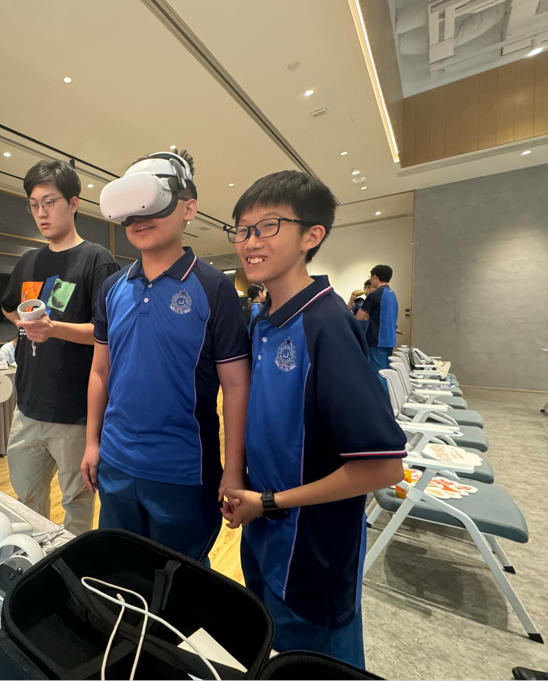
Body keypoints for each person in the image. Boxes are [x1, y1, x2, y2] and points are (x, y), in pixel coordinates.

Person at [221, 170, 406, 669]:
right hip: (265, 540)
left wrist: (269, 501)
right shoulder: (264, 321)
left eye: (268, 226)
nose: (250, 241)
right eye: (242, 229)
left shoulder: (327, 324)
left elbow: (383, 467)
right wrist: (243, 486)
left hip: (313, 560)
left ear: (312, 235)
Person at [81, 150, 250, 562]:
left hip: (183, 471)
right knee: (118, 571)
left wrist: (233, 469)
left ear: (189, 208)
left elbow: (236, 384)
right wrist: (91, 442)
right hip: (116, 463)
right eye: (131, 209)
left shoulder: (213, 288)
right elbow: (100, 371)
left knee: (180, 580)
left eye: (153, 204)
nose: (140, 218)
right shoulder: (112, 288)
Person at [0, 160, 119, 537]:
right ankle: (35, 565)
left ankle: (74, 570)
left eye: (49, 202)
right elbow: (8, 306)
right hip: (27, 408)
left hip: (74, 413)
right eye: (34, 205)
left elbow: (107, 332)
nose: (41, 213)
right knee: (25, 502)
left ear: (73, 203)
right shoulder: (28, 261)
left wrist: (53, 329)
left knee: (76, 507)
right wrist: (25, 325)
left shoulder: (97, 259)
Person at [356, 265, 398, 393]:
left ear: (375, 277)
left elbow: (358, 317)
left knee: (379, 375)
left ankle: (383, 403)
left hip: (377, 340)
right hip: (390, 340)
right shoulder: (392, 294)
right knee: (387, 373)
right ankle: (389, 399)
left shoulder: (375, 295)